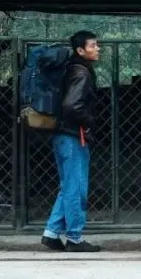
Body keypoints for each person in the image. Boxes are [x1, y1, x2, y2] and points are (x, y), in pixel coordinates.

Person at [41, 30, 103, 253]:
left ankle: (51, 233)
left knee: (68, 185)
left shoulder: (69, 69)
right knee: (76, 188)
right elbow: (72, 105)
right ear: (80, 50)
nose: (97, 48)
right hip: (73, 137)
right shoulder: (81, 72)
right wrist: (89, 121)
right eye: (93, 45)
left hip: (62, 136)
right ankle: (74, 238)